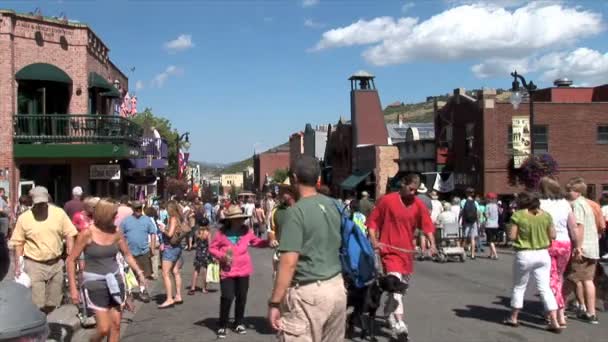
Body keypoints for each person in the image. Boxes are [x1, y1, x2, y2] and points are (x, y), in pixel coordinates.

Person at [267, 155, 346, 342]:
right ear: (318, 178)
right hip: (336, 288)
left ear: (294, 178)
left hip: (309, 293)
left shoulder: (296, 212)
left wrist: (275, 302)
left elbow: (288, 263)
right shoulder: (333, 205)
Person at [67, 199, 147, 342]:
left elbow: (127, 254)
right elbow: (71, 260)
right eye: (113, 214)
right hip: (95, 284)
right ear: (104, 215)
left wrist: (139, 273)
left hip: (115, 281)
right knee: (104, 328)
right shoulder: (87, 234)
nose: (116, 217)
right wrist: (73, 288)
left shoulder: (117, 232)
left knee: (116, 325)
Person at [367, 173, 436, 339]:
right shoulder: (387, 201)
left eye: (416, 190)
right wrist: (375, 240)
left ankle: (388, 312)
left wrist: (432, 245)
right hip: (389, 253)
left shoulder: (418, 204)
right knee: (396, 290)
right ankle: (400, 325)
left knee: (399, 292)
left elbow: (427, 226)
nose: (413, 193)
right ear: (403, 185)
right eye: (411, 189)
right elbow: (373, 222)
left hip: (406, 253)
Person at [10, 186, 78, 313]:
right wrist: (18, 264)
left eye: (43, 203)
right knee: (38, 303)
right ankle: (40, 327)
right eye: (38, 203)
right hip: (34, 264)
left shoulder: (59, 213)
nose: (41, 206)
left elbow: (70, 233)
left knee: (54, 301)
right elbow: (18, 242)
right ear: (32, 202)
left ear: (47, 199)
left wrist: (70, 253)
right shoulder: (24, 218)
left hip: (56, 263)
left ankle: (45, 321)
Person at [210, 204, 274, 338]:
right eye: (237, 218)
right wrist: (222, 256)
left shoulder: (247, 231)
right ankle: (223, 324)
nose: (240, 221)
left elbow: (256, 242)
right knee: (227, 297)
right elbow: (212, 248)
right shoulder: (221, 233)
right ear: (230, 220)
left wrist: (268, 242)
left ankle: (238, 322)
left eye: (241, 218)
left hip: (244, 270)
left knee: (241, 297)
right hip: (227, 270)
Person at [505, 191, 561, 332]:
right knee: (545, 287)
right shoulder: (546, 216)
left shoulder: (518, 216)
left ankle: (514, 317)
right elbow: (553, 235)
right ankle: (554, 320)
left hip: (524, 253)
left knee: (519, 286)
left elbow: (512, 236)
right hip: (543, 253)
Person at [539, 177, 578, 327]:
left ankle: (555, 313)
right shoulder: (565, 204)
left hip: (547, 243)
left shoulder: (540, 204)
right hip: (564, 243)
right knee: (559, 278)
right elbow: (573, 228)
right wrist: (577, 245)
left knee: (550, 279)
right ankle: (560, 313)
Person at [565, 177, 600, 324]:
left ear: (578, 192)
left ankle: (558, 307)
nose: (568, 193)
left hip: (583, 248)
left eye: (570, 190)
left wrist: (577, 247)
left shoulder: (578, 205)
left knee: (572, 278)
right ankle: (591, 313)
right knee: (588, 280)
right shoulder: (588, 204)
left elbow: (579, 227)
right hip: (593, 247)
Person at [119, 201, 155, 302]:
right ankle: (129, 292)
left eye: (139, 208)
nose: (138, 210)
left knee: (145, 273)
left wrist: (152, 247)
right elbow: (120, 235)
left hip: (144, 251)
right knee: (129, 274)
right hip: (130, 252)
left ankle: (143, 290)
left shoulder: (147, 220)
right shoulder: (126, 221)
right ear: (133, 210)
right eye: (136, 209)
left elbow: (153, 232)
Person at [157, 200, 184, 309]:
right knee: (175, 271)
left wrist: (163, 229)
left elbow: (170, 233)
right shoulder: (179, 218)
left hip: (170, 249)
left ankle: (169, 298)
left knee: (165, 273)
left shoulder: (173, 218)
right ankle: (178, 295)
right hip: (177, 247)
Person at [188, 220, 212, 295]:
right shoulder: (208, 233)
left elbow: (195, 242)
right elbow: (210, 245)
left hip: (198, 253)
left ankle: (192, 287)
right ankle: (204, 288)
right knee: (205, 270)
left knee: (196, 270)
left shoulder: (197, 233)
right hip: (206, 253)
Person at [460, 188, 480, 259]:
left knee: (464, 237)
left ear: (466, 193)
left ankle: (462, 253)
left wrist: (459, 219)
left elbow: (461, 212)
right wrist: (478, 222)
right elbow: (478, 213)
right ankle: (473, 254)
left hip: (466, 221)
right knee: (472, 238)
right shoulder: (475, 202)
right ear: (472, 194)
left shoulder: (463, 201)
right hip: (473, 221)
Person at [416, 183, 433, 259]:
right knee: (427, 235)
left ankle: (422, 251)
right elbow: (430, 211)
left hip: (417, 219)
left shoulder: (415, 198)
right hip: (427, 218)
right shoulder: (428, 199)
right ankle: (430, 251)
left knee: (419, 236)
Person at [484, 193, 500, 260]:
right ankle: (491, 254)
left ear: (489, 198)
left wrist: (485, 215)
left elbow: (486, 215)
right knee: (492, 240)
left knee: (490, 241)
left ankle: (495, 255)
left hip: (489, 225)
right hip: (495, 225)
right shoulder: (496, 206)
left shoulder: (487, 206)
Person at [600, 193, 608, 259]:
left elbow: (603, 217)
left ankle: (606, 252)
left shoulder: (604, 208)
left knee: (605, 239)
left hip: (606, 224)